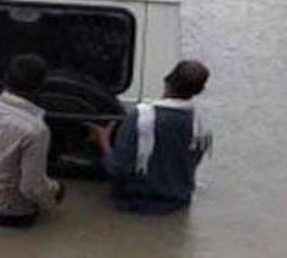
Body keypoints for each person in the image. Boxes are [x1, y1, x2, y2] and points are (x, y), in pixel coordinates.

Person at [89, 60, 213, 215]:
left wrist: (103, 140)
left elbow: (117, 167)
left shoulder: (141, 117)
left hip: (135, 204)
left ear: (167, 80)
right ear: (199, 90)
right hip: (178, 204)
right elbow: (189, 163)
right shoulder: (201, 125)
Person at [0, 54, 66, 228]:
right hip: (11, 214)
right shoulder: (36, 130)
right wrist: (56, 189)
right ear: (41, 86)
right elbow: (31, 188)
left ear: (6, 79)